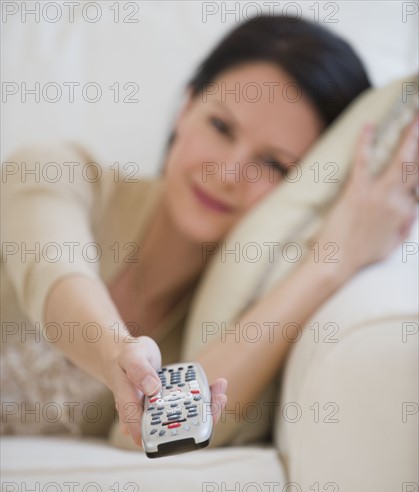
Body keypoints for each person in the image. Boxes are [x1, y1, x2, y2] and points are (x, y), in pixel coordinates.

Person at [1, 15, 418, 448]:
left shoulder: (215, 327)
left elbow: (145, 438)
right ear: (185, 108)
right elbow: (54, 269)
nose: (229, 173)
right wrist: (116, 354)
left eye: (274, 164)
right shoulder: (56, 172)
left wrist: (329, 266)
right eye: (221, 127)